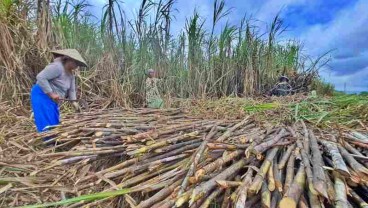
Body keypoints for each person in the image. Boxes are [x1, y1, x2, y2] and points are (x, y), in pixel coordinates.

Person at [31, 49, 87, 132]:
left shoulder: (71, 75)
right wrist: (51, 94)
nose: (77, 66)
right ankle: (47, 141)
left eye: (78, 64)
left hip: (53, 99)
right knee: (45, 119)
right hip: (42, 94)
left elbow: (71, 90)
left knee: (54, 120)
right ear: (68, 59)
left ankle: (52, 140)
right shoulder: (57, 67)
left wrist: (74, 102)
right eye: (76, 63)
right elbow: (41, 77)